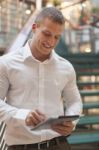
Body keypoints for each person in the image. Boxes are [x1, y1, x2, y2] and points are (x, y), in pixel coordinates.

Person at [0, 7, 82, 150]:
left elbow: (74, 101)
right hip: (21, 146)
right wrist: (22, 115)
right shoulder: (6, 63)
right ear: (34, 28)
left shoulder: (66, 67)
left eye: (57, 37)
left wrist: (71, 122)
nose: (51, 42)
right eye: (47, 34)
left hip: (59, 145)